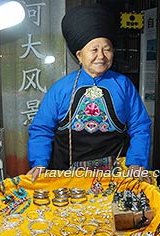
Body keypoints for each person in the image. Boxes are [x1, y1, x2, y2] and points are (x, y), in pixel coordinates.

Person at [26, 4, 151, 181]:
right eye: (94, 50)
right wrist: (39, 162)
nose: (101, 56)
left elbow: (140, 127)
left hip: (113, 175)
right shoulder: (61, 88)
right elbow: (41, 129)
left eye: (107, 49)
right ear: (79, 55)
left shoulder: (123, 85)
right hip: (67, 175)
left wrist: (137, 162)